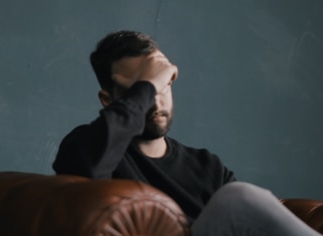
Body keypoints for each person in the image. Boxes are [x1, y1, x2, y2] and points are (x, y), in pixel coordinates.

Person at [52, 30, 319, 235]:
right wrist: (148, 84)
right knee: (239, 198)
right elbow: (85, 170)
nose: (155, 101)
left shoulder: (207, 166)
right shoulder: (88, 148)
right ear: (108, 100)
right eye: (143, 90)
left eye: (163, 86)